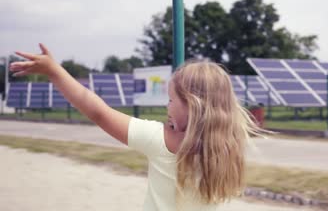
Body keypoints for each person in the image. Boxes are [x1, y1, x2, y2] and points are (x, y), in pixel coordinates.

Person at [10, 43, 262, 211]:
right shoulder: (229, 144)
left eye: (172, 99)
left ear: (192, 106)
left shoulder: (160, 140)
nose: (167, 105)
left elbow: (98, 111)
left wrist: (55, 71)